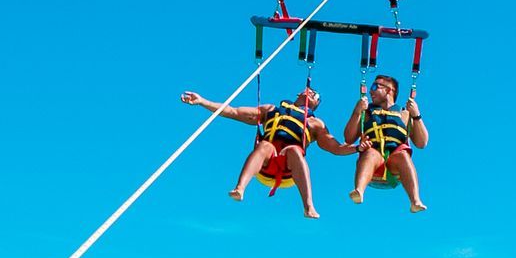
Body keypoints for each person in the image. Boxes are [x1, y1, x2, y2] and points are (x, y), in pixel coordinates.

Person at [181, 80, 336, 217]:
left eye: (314, 94)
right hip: (264, 165)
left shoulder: (315, 123)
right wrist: (202, 101)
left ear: (315, 104)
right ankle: (240, 188)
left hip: (291, 170)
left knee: (294, 150)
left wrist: (356, 148)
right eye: (309, 91)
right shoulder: (270, 110)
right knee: (265, 145)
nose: (310, 92)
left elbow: (335, 147)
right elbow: (232, 111)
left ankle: (308, 206)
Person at [344, 74, 428, 210]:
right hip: (372, 162)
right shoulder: (366, 112)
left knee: (403, 156)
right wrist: (357, 112)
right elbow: (348, 138)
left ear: (389, 90)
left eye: (375, 87)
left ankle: (415, 200)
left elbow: (422, 143)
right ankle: (359, 190)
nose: (371, 91)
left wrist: (416, 115)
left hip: (395, 164)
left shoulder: (405, 114)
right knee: (371, 153)